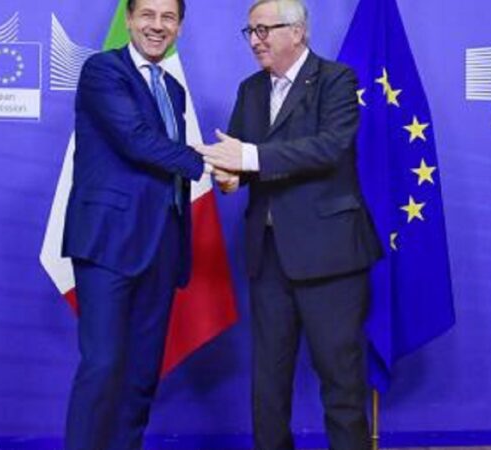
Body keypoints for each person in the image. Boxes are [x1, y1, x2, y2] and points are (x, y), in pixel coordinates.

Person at [197, 1, 383, 449]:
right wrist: (230, 176)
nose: (255, 40)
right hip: (269, 256)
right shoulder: (250, 90)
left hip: (331, 257)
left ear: (297, 32)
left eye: (263, 30)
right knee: (268, 384)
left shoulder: (336, 80)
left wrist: (249, 158)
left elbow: (329, 148)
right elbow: (241, 161)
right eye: (250, 32)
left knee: (341, 383)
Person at [61, 0, 205, 448]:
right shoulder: (103, 71)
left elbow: (164, 163)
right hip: (107, 241)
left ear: (180, 26)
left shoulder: (174, 90)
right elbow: (136, 140)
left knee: (142, 374)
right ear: (128, 20)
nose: (157, 26)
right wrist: (211, 162)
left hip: (162, 243)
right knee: (103, 365)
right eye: (148, 15)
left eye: (168, 17)